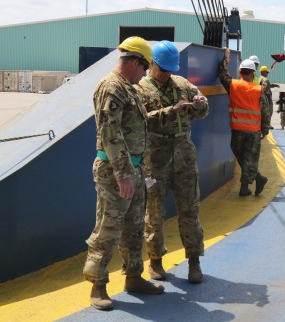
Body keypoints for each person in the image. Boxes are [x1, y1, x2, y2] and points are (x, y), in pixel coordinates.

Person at [83, 36, 164, 311]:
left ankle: (133, 277)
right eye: (144, 67)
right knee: (108, 227)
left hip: (134, 168)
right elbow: (110, 132)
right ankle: (98, 285)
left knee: (134, 227)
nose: (145, 73)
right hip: (115, 171)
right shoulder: (112, 87)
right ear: (132, 62)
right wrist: (122, 173)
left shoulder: (129, 88)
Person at [135, 41, 209, 284]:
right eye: (163, 69)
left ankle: (194, 261)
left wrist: (200, 105)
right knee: (154, 212)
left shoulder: (182, 84)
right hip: (156, 158)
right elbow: (140, 121)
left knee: (190, 209)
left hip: (184, 156)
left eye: (170, 69)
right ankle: (155, 260)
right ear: (152, 64)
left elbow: (202, 111)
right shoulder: (141, 89)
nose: (166, 74)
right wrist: (170, 111)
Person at [219, 48, 270, 196]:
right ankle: (257, 179)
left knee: (240, 154)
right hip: (253, 131)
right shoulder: (259, 90)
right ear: (253, 73)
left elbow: (222, 74)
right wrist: (265, 130)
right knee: (250, 158)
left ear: (240, 72)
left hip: (237, 130)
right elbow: (265, 112)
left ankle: (246, 187)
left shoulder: (233, 85)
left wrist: (226, 58)